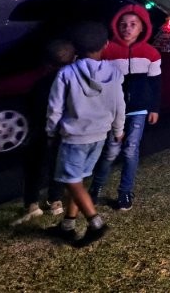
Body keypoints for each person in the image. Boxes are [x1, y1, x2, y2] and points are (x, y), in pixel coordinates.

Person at [46, 21, 125, 246]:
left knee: (71, 181)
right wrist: (118, 129)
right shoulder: (114, 72)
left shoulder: (66, 73)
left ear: (76, 46)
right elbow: (119, 105)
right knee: (78, 180)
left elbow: (54, 108)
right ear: (106, 44)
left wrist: (51, 130)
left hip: (74, 137)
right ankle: (67, 225)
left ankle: (95, 223)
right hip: (100, 135)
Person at [90, 4, 162, 211]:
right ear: (116, 26)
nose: (127, 28)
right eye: (123, 24)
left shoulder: (151, 53)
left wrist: (154, 108)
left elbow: (155, 83)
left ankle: (125, 192)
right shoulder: (107, 50)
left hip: (139, 109)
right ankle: (96, 188)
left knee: (131, 150)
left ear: (142, 27)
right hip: (113, 111)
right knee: (111, 151)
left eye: (133, 24)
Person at [11, 39, 76, 226]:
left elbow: (31, 108)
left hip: (42, 131)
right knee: (59, 165)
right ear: (73, 60)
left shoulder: (41, 84)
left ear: (47, 63)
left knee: (35, 166)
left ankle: (32, 204)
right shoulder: (75, 83)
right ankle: (55, 201)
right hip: (65, 133)